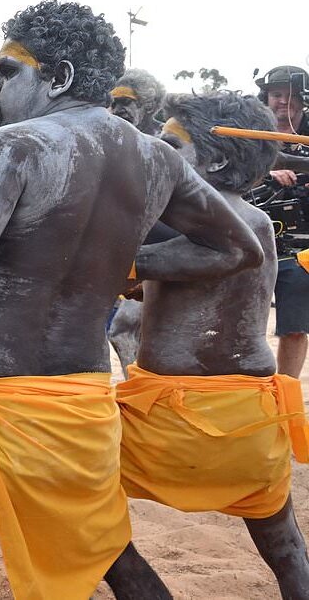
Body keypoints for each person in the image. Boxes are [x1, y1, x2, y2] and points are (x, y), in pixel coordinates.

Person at [0, 0, 262, 599]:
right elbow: (238, 248)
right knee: (115, 561)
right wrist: (121, 267)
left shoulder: (11, 146)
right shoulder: (155, 159)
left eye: (9, 71)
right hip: (78, 416)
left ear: (56, 77)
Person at [102, 92, 309, 597]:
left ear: (214, 159)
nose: (155, 150)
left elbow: (115, 264)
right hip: (252, 425)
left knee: (79, 501)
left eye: (170, 144)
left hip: (176, 424)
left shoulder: (197, 225)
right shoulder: (254, 221)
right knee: (284, 545)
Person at [257, 66, 309, 382]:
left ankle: (285, 392)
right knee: (241, 321)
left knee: (295, 327)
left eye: (291, 96)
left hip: (301, 249)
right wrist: (266, 175)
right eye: (277, 95)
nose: (283, 103)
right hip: (254, 244)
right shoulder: (249, 133)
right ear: (267, 97)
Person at [108, 68, 166, 135]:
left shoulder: (166, 136)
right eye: (113, 104)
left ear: (149, 105)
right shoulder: (112, 135)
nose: (116, 111)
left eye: (125, 101)